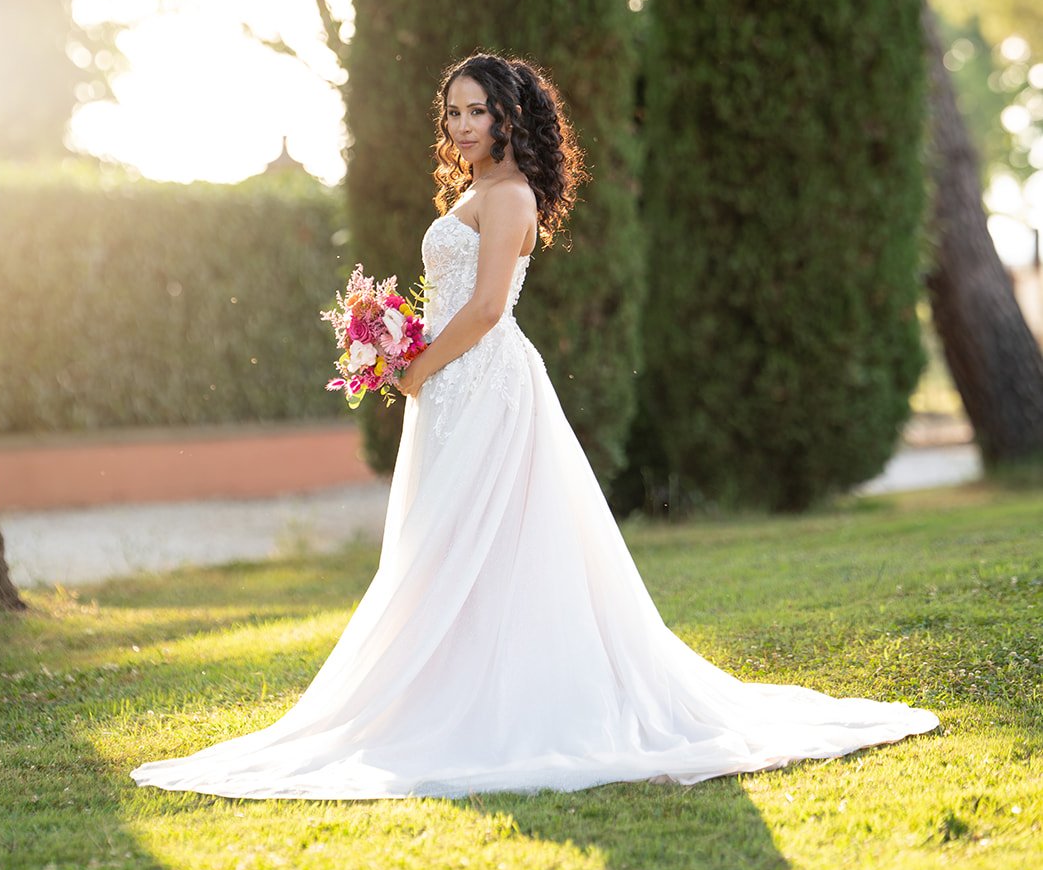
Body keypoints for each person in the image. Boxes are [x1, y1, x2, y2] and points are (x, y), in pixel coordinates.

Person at [131, 51, 939, 800]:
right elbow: (455, 301)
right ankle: (448, 685)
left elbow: (487, 308)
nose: (460, 125)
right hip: (451, 383)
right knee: (448, 537)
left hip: (483, 382)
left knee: (483, 531)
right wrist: (395, 340)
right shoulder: (474, 192)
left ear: (508, 117)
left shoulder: (510, 195)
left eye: (476, 111)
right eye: (452, 112)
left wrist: (416, 366)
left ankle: (501, 699)